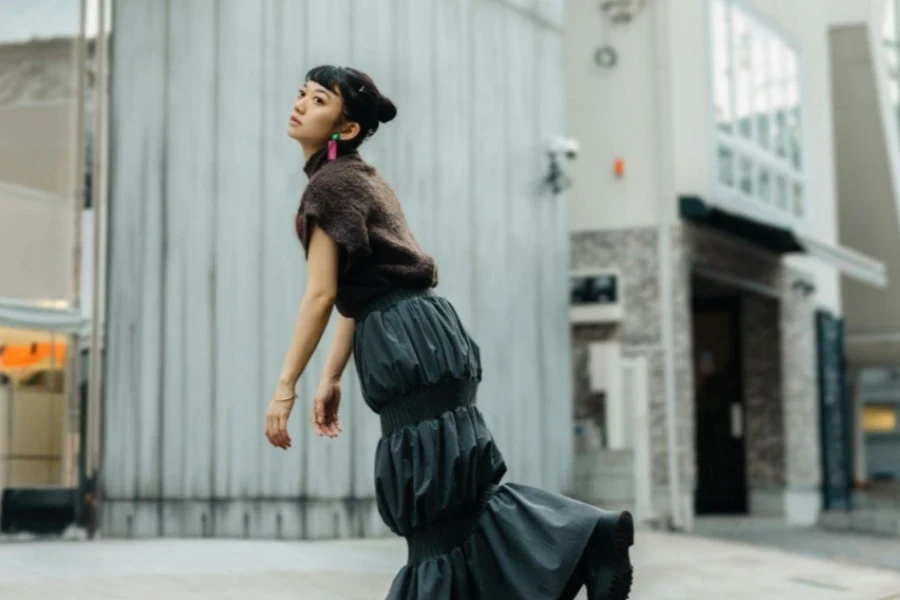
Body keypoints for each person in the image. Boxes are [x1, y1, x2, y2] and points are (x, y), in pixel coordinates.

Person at [264, 65, 634, 600]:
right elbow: (359, 287)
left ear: (344, 129)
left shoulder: (329, 187)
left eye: (318, 100)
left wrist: (285, 388)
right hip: (423, 330)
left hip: (402, 341)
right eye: (301, 93)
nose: (300, 103)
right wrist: (331, 375)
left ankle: (589, 536)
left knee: (432, 509)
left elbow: (322, 294)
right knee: (455, 499)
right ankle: (589, 536)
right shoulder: (360, 178)